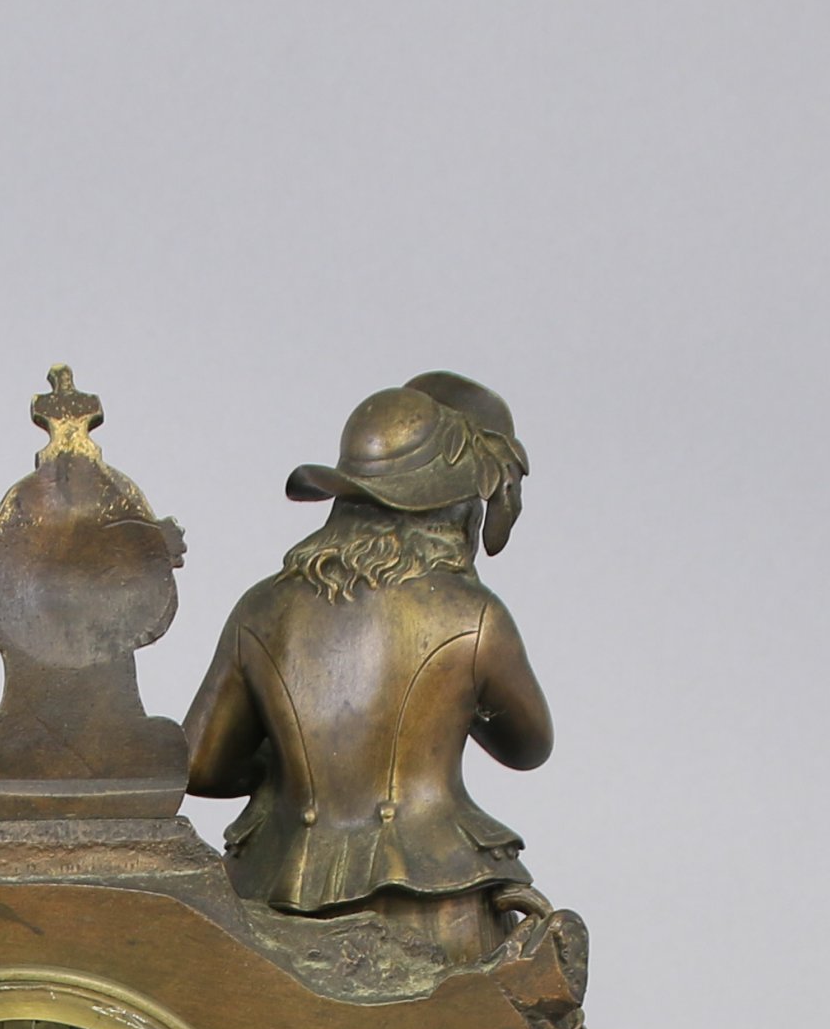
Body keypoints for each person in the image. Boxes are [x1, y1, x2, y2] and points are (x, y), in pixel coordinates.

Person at [182, 373, 553, 967]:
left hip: (280, 892)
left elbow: (201, 765)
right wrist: (462, 694)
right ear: (455, 506)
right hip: (440, 897)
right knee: (458, 1028)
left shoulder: (264, 607)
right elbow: (529, 745)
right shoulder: (474, 616)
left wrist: (288, 760)